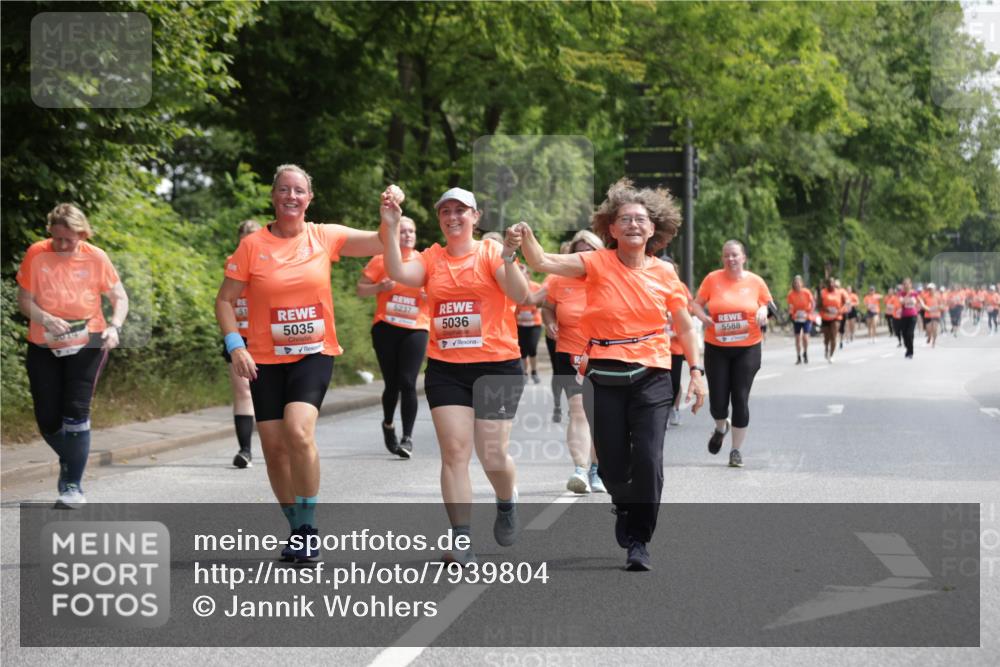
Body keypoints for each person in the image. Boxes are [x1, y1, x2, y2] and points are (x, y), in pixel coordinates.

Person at [518, 178, 708, 572]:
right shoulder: (595, 263)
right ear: (612, 228)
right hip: (603, 372)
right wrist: (527, 235)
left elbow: (686, 326)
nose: (634, 225)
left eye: (641, 219)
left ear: (653, 229)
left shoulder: (665, 275)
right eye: (625, 219)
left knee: (650, 460)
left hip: (653, 373)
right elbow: (542, 263)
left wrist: (696, 370)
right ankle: (622, 503)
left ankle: (639, 540)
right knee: (612, 465)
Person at [216, 164, 386, 563]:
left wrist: (390, 216)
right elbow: (224, 300)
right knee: (274, 448)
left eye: (299, 191)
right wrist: (235, 344)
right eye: (284, 190)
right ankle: (295, 529)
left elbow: (381, 242)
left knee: (298, 430)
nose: (291, 196)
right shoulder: (252, 246)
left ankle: (308, 528)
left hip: (314, 352)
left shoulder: (324, 236)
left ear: (310, 199)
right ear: (273, 196)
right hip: (263, 358)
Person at [379, 186, 531, 565]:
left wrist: (511, 257)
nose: (452, 217)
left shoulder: (492, 253)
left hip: (497, 366)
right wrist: (391, 226)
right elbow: (398, 271)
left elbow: (522, 293)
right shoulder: (431, 258)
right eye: (445, 211)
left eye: (461, 210)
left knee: (492, 456)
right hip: (447, 369)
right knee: (455, 453)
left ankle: (506, 499)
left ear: (475, 217)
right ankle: (461, 538)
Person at [16, 203, 129, 507]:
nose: (63, 245)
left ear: (82, 233)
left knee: (76, 411)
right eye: (57, 239)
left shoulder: (95, 257)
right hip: (43, 342)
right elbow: (24, 300)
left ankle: (71, 486)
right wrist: (46, 318)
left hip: (89, 339)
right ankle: (73, 461)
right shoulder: (37, 254)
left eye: (70, 239)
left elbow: (119, 297)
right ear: (49, 233)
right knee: (48, 419)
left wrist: (115, 326)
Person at [692, 240, 773, 469]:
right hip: (717, 347)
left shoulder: (755, 281)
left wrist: (763, 309)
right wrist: (703, 317)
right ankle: (720, 427)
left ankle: (736, 451)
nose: (731, 259)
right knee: (718, 401)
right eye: (726, 255)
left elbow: (769, 305)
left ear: (743, 257)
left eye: (735, 255)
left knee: (740, 398)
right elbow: (695, 304)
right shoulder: (712, 279)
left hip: (748, 347)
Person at [357, 215, 430, 459]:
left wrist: (429, 296)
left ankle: (407, 438)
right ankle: (388, 423)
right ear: (394, 235)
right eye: (402, 231)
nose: (407, 235)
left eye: (411, 231)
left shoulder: (424, 262)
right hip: (386, 326)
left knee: (408, 382)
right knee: (392, 384)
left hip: (416, 327)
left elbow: (441, 289)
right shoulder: (381, 260)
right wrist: (379, 288)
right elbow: (360, 289)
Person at [540, 229, 607, 494]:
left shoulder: (609, 278)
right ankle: (580, 469)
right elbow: (546, 306)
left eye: (589, 251)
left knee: (599, 415)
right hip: (569, 352)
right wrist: (550, 322)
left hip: (605, 355)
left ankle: (596, 470)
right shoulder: (558, 280)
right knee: (578, 411)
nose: (584, 256)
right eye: (579, 251)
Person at [225, 220, 261, 469]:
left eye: (254, 236)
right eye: (245, 237)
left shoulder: (271, 262)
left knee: (269, 394)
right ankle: (245, 450)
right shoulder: (232, 262)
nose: (249, 241)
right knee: (243, 391)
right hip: (239, 335)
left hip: (266, 337)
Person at [515, 263, 547, 384]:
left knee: (532, 348)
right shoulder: (514, 289)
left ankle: (534, 371)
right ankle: (524, 372)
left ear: (528, 275)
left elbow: (543, 303)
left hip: (534, 324)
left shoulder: (536, 287)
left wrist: (537, 309)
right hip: (519, 324)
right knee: (522, 350)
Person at [787, 275, 815, 364]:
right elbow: (790, 306)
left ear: (802, 284)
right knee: (797, 338)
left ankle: (805, 353)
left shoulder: (806, 292)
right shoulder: (791, 294)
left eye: (799, 283)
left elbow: (813, 303)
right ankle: (798, 356)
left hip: (806, 317)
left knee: (805, 337)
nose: (797, 285)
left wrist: (809, 312)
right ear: (793, 285)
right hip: (797, 318)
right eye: (796, 284)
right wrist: (792, 314)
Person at [818, 277, 845, 362]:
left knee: (833, 336)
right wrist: (826, 309)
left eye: (832, 283)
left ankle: (831, 354)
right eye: (829, 283)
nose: (831, 285)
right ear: (827, 284)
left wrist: (840, 310)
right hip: (825, 317)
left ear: (834, 284)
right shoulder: (823, 292)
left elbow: (845, 303)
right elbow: (819, 305)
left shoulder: (840, 293)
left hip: (836, 317)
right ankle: (826, 348)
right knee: (827, 338)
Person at [897, 278, 920, 359]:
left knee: (910, 334)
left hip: (913, 316)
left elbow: (919, 301)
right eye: (904, 284)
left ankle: (910, 352)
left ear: (911, 284)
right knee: (904, 334)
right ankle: (907, 348)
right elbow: (901, 302)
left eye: (907, 284)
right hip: (904, 316)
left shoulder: (915, 293)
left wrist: (926, 308)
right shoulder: (901, 293)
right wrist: (908, 294)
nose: (906, 285)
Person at [922, 282, 941, 348]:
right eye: (929, 289)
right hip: (928, 315)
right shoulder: (925, 297)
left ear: (934, 289)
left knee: (935, 329)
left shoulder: (938, 296)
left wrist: (938, 307)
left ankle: (934, 342)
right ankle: (929, 336)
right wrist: (926, 308)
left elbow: (941, 305)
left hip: (936, 315)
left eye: (931, 289)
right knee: (929, 330)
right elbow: (923, 305)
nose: (930, 291)